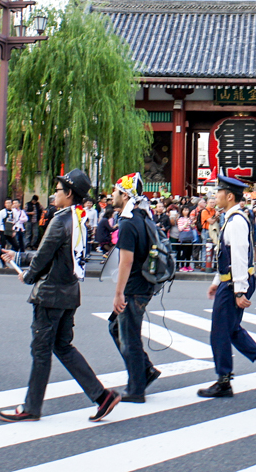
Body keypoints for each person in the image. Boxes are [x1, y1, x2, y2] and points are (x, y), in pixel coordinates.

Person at [0, 169, 121, 423]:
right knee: (62, 346)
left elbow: (44, 255)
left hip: (50, 295)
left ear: (68, 193)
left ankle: (32, 407)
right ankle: (102, 396)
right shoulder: (78, 219)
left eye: (57, 190)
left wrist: (29, 276)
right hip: (69, 293)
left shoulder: (60, 220)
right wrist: (19, 257)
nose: (54, 194)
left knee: (41, 349)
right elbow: (56, 254)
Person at [198, 174, 256, 399]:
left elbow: (239, 257)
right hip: (231, 282)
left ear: (229, 196)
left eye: (218, 192)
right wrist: (216, 281)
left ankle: (224, 381)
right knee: (232, 330)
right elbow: (226, 256)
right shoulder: (231, 217)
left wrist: (239, 290)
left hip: (234, 284)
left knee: (220, 332)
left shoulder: (236, 220)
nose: (214, 195)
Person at [107, 172, 161, 402]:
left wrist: (119, 293)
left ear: (125, 194)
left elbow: (126, 261)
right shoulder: (141, 216)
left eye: (115, 191)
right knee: (116, 328)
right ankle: (145, 369)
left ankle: (136, 388)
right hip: (144, 284)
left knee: (129, 336)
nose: (112, 195)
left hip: (133, 287)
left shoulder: (128, 222)